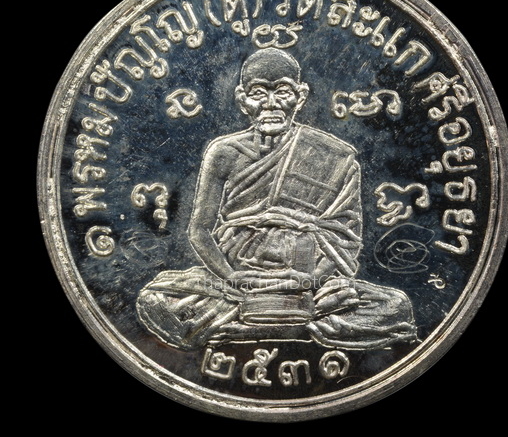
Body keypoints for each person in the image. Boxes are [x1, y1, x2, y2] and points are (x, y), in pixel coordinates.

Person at [137, 48, 416, 350]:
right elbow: (199, 230)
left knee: (396, 306)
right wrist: (232, 278)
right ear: (242, 99)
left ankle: (248, 326)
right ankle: (297, 324)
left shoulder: (335, 155)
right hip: (239, 274)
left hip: (308, 277)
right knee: (154, 299)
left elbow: (345, 236)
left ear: (300, 96)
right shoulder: (224, 152)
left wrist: (309, 281)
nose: (271, 103)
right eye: (258, 93)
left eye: (282, 92)